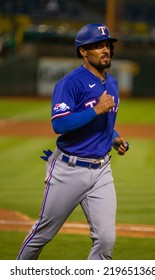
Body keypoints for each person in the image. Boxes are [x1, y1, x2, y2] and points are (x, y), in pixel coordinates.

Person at [17, 23, 129, 260]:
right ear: (83, 52)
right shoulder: (70, 83)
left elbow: (103, 125)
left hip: (102, 172)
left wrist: (114, 137)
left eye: (107, 44)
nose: (105, 49)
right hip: (68, 170)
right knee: (43, 234)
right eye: (97, 46)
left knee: (106, 239)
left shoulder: (112, 84)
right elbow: (59, 125)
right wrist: (96, 110)